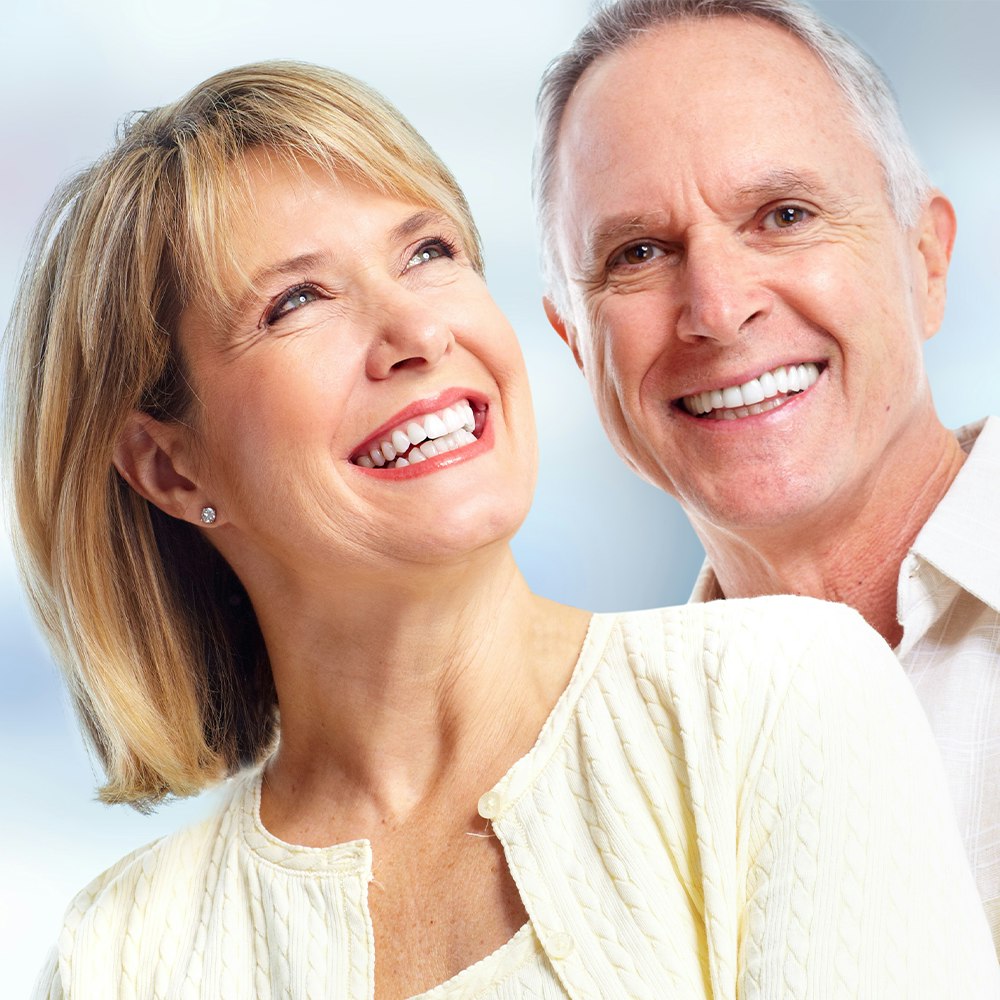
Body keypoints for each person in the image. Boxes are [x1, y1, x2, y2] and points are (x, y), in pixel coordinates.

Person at [6, 61, 996, 999]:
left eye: (428, 253)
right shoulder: (121, 949)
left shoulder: (778, 694)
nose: (418, 335)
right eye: (297, 301)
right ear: (170, 465)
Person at [534, 0, 1000, 954]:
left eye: (784, 216)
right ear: (575, 344)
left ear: (928, 261)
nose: (717, 306)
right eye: (637, 254)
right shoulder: (578, 798)